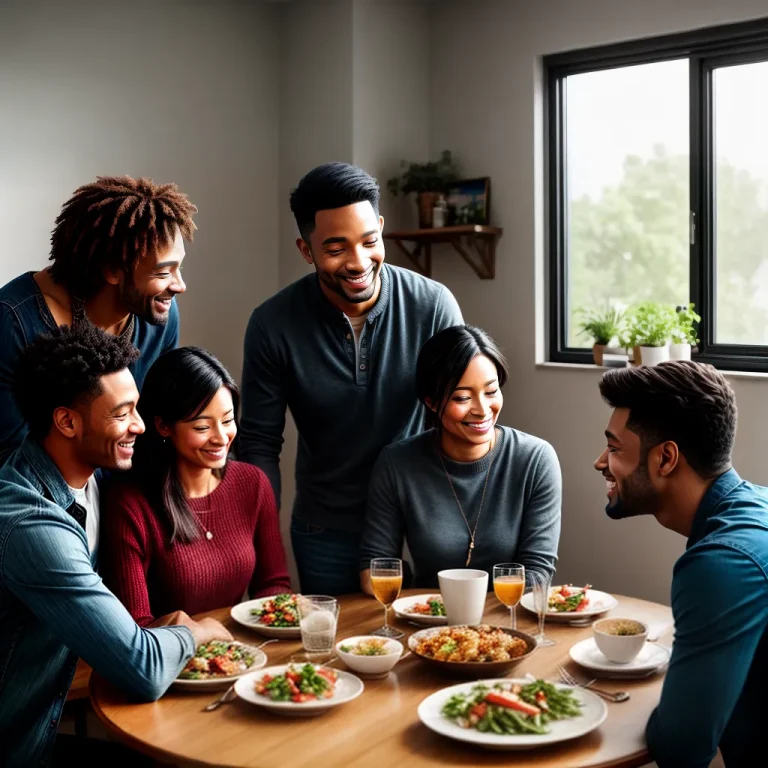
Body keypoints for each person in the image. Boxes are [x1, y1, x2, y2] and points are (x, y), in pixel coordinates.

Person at [0, 324, 231, 767]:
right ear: (66, 421)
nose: (140, 427)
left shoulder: (92, 480)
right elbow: (141, 668)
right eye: (123, 413)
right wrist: (195, 632)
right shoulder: (32, 525)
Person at [239, 162, 463, 595]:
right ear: (306, 250)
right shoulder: (272, 323)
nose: (359, 262)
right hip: (327, 527)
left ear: (381, 227)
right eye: (336, 248)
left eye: (369, 241)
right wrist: (263, 551)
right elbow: (260, 444)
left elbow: (457, 417)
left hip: (426, 520)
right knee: (336, 653)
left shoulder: (434, 306)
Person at [595, 361, 768, 768]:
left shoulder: (722, 564)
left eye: (614, 448)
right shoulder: (756, 506)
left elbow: (681, 750)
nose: (600, 462)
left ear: (666, 458)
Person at [0, 175, 197, 465]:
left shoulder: (159, 315)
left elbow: (155, 426)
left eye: (178, 268)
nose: (179, 285)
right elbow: (8, 458)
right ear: (112, 270)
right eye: (163, 272)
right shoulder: (13, 321)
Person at [360, 325, 561, 590]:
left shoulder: (535, 459)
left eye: (491, 392)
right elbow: (375, 566)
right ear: (431, 402)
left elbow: (538, 575)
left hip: (506, 619)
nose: (482, 410)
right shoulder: (397, 464)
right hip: (428, 616)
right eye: (462, 397)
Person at [101, 347, 291, 626]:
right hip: (168, 663)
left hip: (242, 656)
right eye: (202, 428)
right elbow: (135, 627)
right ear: (164, 426)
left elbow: (273, 586)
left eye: (227, 420)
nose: (221, 437)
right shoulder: (129, 505)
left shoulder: (253, 483)